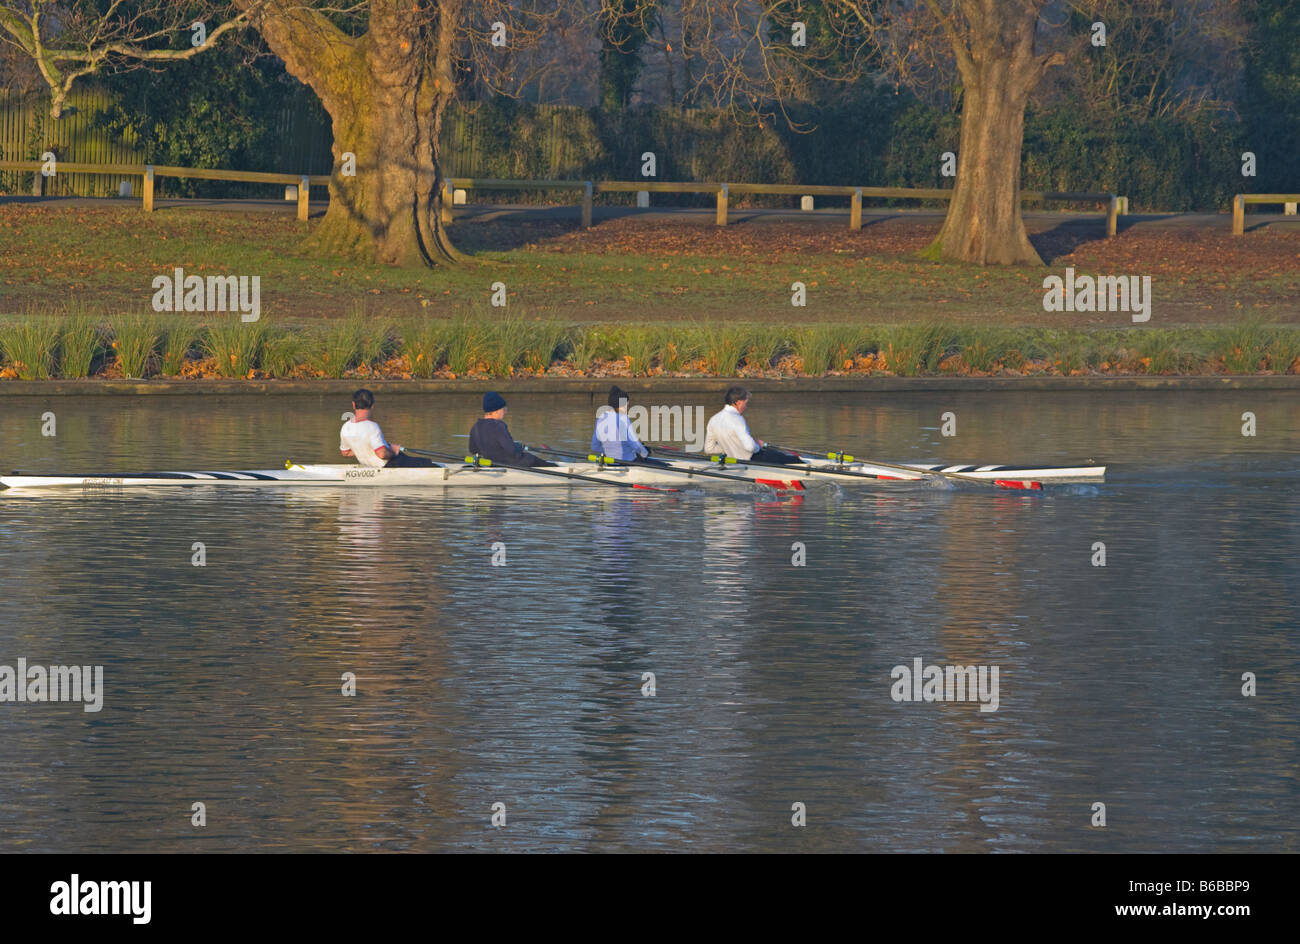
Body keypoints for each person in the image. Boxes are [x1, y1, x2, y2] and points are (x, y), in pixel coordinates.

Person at [703, 385, 803, 464]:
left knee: (779, 455)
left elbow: (709, 449)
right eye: (745, 403)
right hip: (753, 459)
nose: (746, 406)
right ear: (737, 402)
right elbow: (750, 447)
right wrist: (758, 446)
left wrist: (729, 447)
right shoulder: (737, 419)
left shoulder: (713, 420)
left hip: (735, 461)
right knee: (796, 460)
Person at [339, 389, 434, 468]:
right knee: (426, 463)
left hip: (373, 466)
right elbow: (382, 454)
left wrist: (367, 448)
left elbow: (345, 453)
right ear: (372, 406)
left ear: (353, 405)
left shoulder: (345, 427)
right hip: (390, 464)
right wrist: (394, 451)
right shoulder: (372, 426)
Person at [468, 391, 555, 467]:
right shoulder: (498, 426)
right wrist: (518, 446)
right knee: (549, 465)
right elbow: (511, 450)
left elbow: (473, 450)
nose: (505, 412)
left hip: (492, 463)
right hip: (515, 463)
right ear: (496, 410)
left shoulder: (475, 427)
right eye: (503, 409)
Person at [591, 385, 651, 462]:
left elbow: (595, 446)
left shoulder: (600, 419)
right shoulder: (623, 419)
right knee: (663, 465)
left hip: (609, 462)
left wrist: (610, 451)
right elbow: (635, 444)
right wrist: (645, 453)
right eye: (627, 404)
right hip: (626, 462)